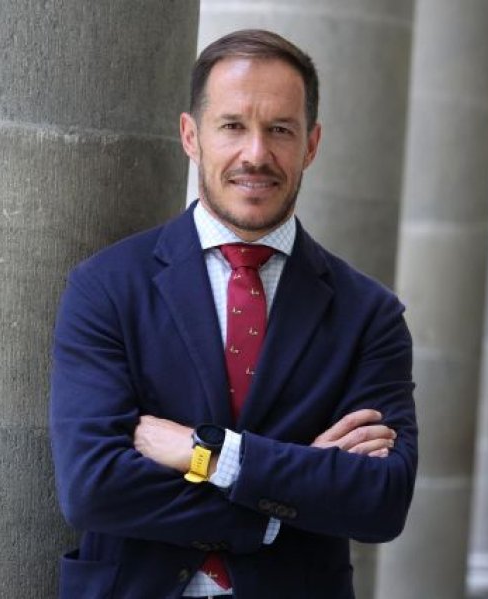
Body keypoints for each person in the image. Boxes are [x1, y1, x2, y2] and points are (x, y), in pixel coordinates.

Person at [50, 29, 417, 599]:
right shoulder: (107, 288)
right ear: (190, 136)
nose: (256, 154)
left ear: (311, 144)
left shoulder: (369, 315)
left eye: (280, 130)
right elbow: (93, 487)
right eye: (232, 126)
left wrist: (211, 455)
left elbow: (381, 500)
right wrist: (280, 507)